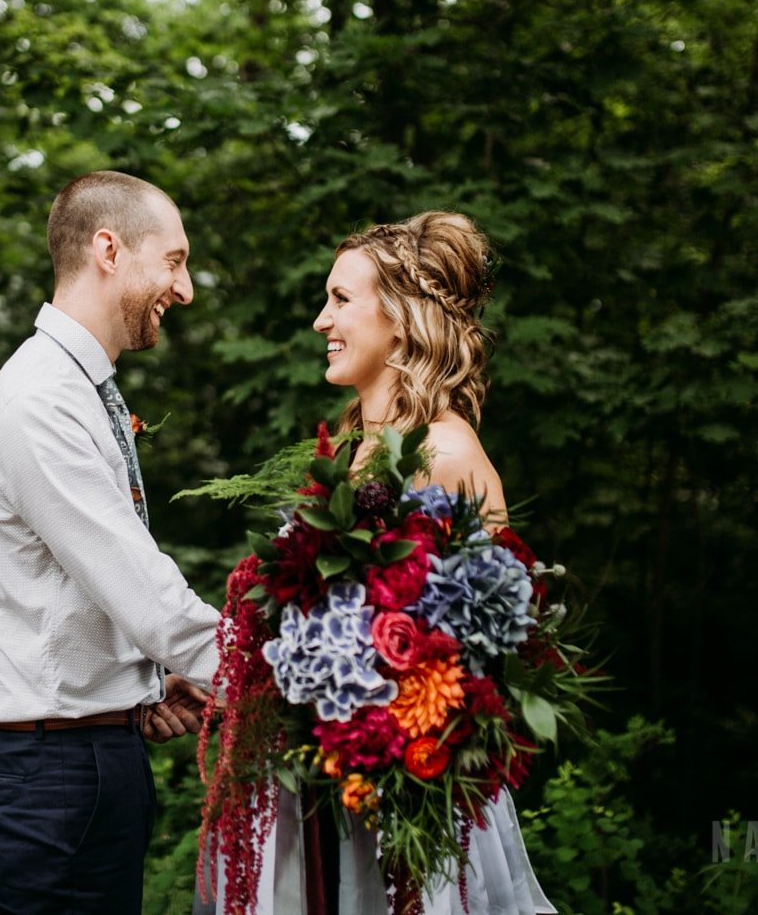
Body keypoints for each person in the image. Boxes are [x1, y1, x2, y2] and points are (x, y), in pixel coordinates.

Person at [200, 210, 554, 915]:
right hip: (337, 794)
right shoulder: (353, 451)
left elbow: (490, 654)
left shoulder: (446, 451)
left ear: (399, 317)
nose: (319, 320)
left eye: (340, 299)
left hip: (410, 800)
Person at [0, 170, 221, 915]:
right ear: (109, 248)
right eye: (173, 260)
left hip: (93, 755)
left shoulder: (81, 388)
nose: (187, 287)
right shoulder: (41, 400)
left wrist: (140, 687)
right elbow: (146, 594)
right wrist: (278, 682)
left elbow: (78, 587)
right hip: (50, 776)